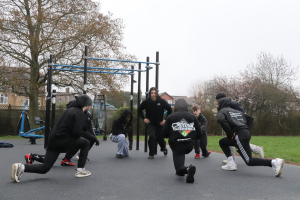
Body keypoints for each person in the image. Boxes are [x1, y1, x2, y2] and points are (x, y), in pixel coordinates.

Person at [11, 95, 94, 182]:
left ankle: (21, 167)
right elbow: (76, 133)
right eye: (90, 107)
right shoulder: (80, 114)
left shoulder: (68, 111)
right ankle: (80, 170)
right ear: (87, 106)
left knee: (45, 168)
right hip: (64, 140)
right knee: (86, 143)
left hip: (53, 140)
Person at [217, 97, 284, 177]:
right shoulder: (237, 111)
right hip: (244, 133)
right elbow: (251, 119)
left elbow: (221, 120)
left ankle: (274, 162)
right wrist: (245, 129)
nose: (217, 105)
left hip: (240, 135)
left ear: (221, 104)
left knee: (249, 161)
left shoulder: (222, 111)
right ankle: (231, 163)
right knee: (223, 142)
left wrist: (230, 134)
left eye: (218, 104)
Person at [24, 98, 100, 165]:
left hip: (58, 137)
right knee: (81, 142)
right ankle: (69, 161)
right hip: (63, 138)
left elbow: (86, 127)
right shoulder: (78, 113)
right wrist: (93, 138)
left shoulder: (71, 112)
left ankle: (31, 156)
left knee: (47, 163)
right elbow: (77, 132)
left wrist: (93, 137)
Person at [215, 92, 264, 164]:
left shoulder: (230, 104)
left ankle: (233, 160)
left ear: (221, 99)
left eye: (218, 100)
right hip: (235, 126)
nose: (217, 103)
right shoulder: (229, 104)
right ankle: (257, 149)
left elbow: (243, 114)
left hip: (237, 126)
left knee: (235, 141)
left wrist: (244, 128)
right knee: (234, 142)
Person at [162, 99, 203, 183]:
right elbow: (199, 133)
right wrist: (191, 137)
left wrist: (172, 134)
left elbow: (164, 134)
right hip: (189, 144)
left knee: (179, 169)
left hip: (177, 145)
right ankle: (183, 169)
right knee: (180, 169)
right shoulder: (193, 117)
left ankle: (188, 169)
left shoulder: (171, 117)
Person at [138, 87, 172, 159]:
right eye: (152, 93)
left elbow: (170, 110)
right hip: (150, 123)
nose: (153, 95)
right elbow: (139, 110)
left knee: (160, 138)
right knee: (152, 136)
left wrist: (165, 120)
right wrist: (144, 118)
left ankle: (163, 148)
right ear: (150, 94)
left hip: (159, 124)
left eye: (154, 93)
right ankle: (151, 153)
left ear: (157, 94)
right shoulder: (146, 102)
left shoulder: (162, 101)